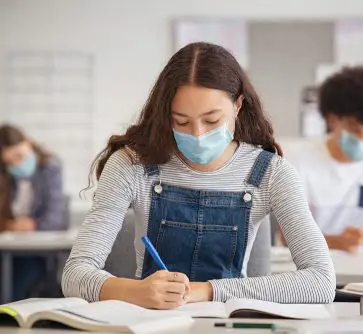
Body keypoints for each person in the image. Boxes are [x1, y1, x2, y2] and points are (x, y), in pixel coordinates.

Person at [62, 42, 336, 309]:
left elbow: (321, 281)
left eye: (212, 120)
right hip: (149, 322)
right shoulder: (130, 165)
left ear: (238, 106)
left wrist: (205, 290)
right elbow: (75, 274)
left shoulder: (272, 173)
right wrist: (134, 291)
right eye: (181, 121)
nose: (198, 134)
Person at [287, 65, 363, 254]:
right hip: (312, 266)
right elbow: (288, 237)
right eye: (355, 129)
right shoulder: (299, 160)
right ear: (332, 119)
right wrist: (336, 242)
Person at [0, 124, 64, 300]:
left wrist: (31, 224)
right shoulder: (6, 177)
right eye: (9, 162)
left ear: (27, 143)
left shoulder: (50, 168)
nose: (16, 164)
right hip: (7, 249)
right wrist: (9, 225)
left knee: (16, 281)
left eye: (19, 156)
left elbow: (54, 218)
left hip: (36, 251)